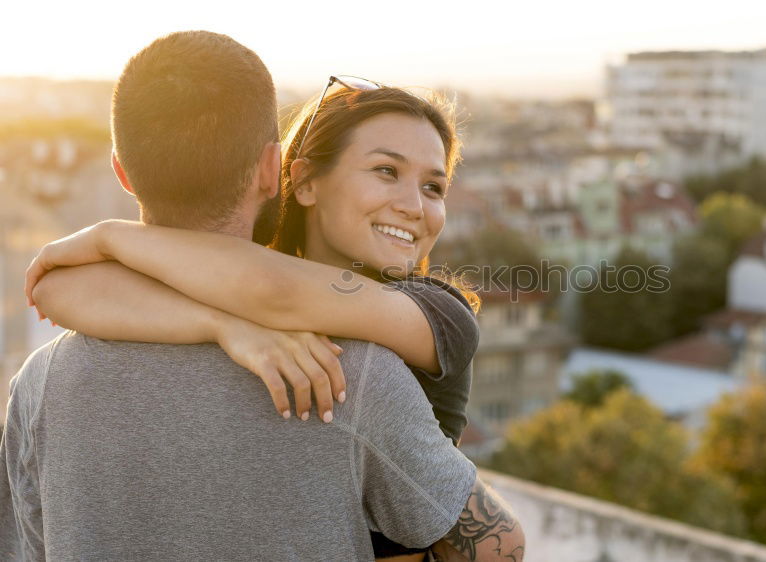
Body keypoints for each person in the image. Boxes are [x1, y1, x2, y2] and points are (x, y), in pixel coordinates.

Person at [2, 30, 524, 561]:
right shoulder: (289, 331)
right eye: (386, 171)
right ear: (285, 176)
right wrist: (228, 327)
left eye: (435, 187)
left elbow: (270, 291)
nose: (414, 204)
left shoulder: (436, 315)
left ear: (122, 171)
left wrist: (109, 237)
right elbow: (61, 286)